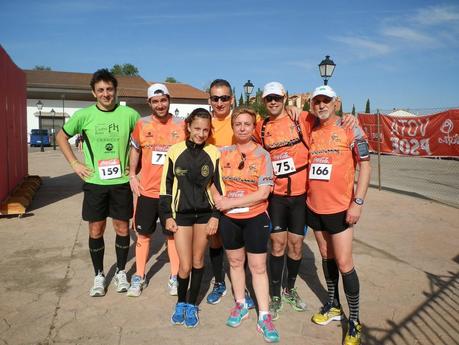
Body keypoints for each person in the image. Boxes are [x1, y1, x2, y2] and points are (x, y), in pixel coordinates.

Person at [55, 69, 140, 297]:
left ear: (115, 91)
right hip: (95, 183)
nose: (106, 94)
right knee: (96, 229)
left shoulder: (129, 115)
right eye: (101, 90)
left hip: (121, 182)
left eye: (109, 89)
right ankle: (99, 275)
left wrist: (134, 170)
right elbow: (61, 137)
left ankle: (121, 272)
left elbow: (142, 142)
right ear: (94, 93)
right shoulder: (84, 116)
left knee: (121, 228)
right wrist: (74, 164)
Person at [306, 85, 371, 345]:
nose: (321, 105)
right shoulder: (311, 129)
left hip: (341, 209)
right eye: (317, 101)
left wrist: (358, 202)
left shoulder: (350, 127)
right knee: (325, 256)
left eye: (326, 101)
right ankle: (333, 305)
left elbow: (365, 167)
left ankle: (354, 320)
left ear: (336, 103)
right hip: (314, 207)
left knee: (345, 264)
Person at [214, 107, 280, 343]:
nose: (242, 128)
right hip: (230, 220)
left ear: (254, 128)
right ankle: (240, 304)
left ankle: (264, 315)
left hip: (255, 217)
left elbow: (263, 193)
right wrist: (218, 199)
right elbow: (208, 179)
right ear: (232, 127)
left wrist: (229, 202)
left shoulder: (263, 156)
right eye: (238, 124)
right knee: (234, 262)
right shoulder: (222, 153)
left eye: (247, 124)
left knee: (258, 266)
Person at [254, 82, 313, 319]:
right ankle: (276, 293)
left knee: (296, 246)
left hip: (300, 196)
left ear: (285, 97)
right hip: (276, 196)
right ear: (263, 100)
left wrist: (351, 120)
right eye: (269, 99)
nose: (273, 102)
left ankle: (290, 289)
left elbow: (330, 123)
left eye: (277, 98)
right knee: (277, 245)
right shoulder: (261, 126)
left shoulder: (303, 119)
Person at [159, 108, 223, 328]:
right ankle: (180, 302)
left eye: (206, 130)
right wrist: (166, 215)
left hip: (205, 215)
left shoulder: (214, 152)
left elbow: (219, 187)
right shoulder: (174, 151)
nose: (201, 133)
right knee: (184, 266)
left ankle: (192, 305)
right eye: (197, 128)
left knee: (198, 261)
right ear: (188, 126)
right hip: (181, 216)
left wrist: (216, 215)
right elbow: (165, 186)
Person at [127, 83, 185, 297]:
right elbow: (135, 149)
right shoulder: (141, 124)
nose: (160, 105)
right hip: (148, 191)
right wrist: (132, 174)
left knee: (172, 236)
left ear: (169, 100)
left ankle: (174, 277)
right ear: (149, 103)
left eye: (163, 100)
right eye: (155, 101)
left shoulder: (182, 124)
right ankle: (139, 276)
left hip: (172, 193)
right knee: (143, 235)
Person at [205, 79, 254, 308]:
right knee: (214, 239)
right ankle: (218, 283)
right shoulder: (205, 124)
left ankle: (242, 286)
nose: (220, 102)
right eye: (216, 98)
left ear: (232, 99)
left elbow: (269, 126)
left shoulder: (240, 121)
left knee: (239, 243)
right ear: (210, 100)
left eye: (224, 97)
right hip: (212, 190)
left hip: (238, 192)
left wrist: (292, 109)